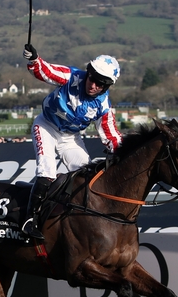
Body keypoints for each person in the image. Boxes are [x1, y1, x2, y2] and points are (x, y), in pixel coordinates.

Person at [20, 44, 123, 240]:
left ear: (107, 86)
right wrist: (34, 59)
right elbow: (46, 71)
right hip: (46, 127)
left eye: (100, 84)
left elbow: (111, 136)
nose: (93, 86)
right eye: (92, 79)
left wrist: (124, 153)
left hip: (70, 138)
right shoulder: (72, 76)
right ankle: (29, 220)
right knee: (47, 171)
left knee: (88, 176)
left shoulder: (103, 106)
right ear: (88, 73)